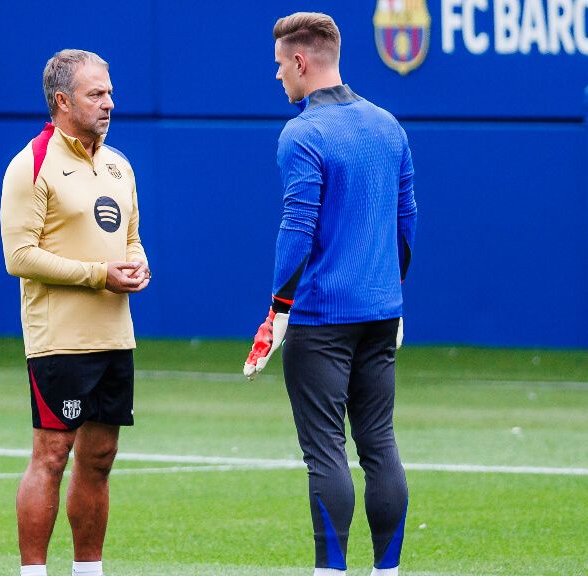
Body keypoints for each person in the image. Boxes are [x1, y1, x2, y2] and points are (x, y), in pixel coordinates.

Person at [243, 12, 418, 576]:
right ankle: (387, 571)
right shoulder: (388, 124)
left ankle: (331, 571)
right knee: (379, 444)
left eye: (278, 66)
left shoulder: (302, 133)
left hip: (321, 317)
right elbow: (406, 222)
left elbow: (298, 229)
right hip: (380, 311)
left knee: (324, 451)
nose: (277, 78)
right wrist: (391, 292)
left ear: (299, 61)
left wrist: (278, 309)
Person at [0, 49, 149, 576]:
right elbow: (18, 256)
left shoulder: (118, 164)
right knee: (52, 456)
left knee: (100, 459)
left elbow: (131, 241)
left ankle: (89, 571)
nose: (110, 102)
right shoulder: (32, 163)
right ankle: (34, 572)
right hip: (58, 341)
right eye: (96, 94)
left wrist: (136, 267)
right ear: (63, 102)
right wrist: (97, 274)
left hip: (115, 336)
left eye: (109, 92)